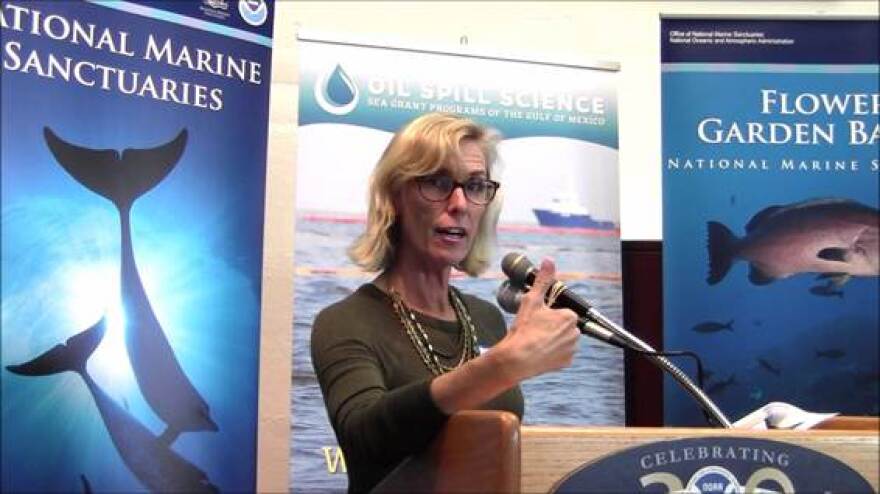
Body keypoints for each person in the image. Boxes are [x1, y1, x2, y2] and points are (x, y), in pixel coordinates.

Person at [310, 112, 580, 493]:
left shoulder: (484, 318)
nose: (459, 203)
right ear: (395, 197)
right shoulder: (346, 321)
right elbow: (364, 437)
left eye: (475, 186)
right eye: (437, 182)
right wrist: (498, 367)